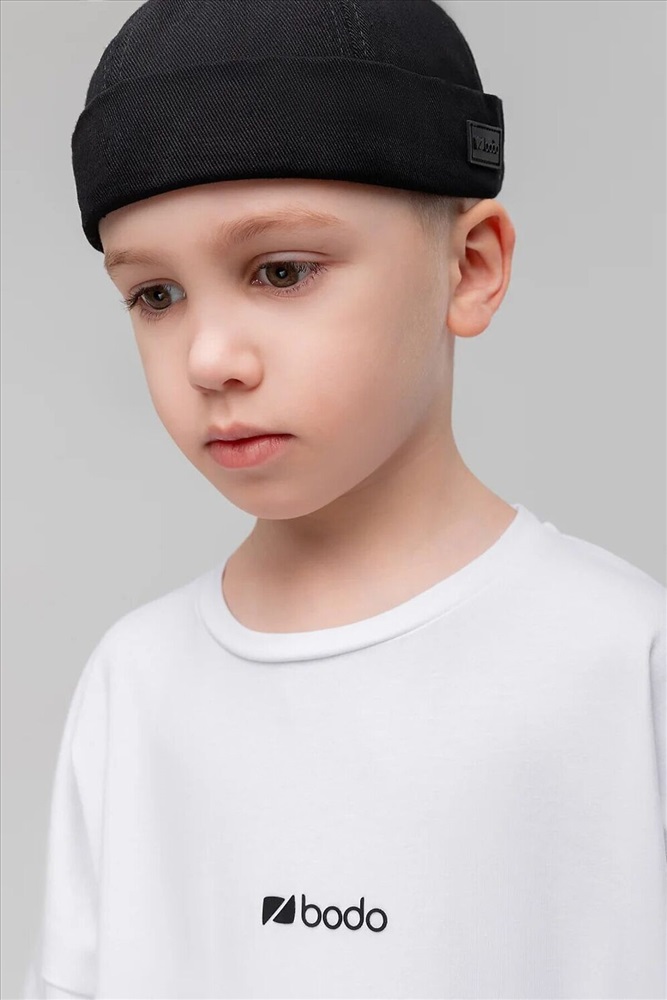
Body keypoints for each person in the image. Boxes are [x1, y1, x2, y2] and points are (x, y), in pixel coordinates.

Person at [23, 1, 666, 997]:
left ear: (471, 267)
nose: (209, 357)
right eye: (155, 295)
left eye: (281, 272)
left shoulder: (621, 660)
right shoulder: (134, 682)